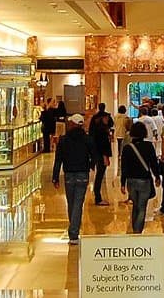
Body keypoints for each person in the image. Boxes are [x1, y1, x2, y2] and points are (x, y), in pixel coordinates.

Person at [52, 113, 95, 245]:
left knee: (72, 202)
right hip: (82, 174)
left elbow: (58, 159)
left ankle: (73, 232)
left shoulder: (64, 139)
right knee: (77, 203)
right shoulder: (87, 139)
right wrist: (90, 165)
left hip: (69, 174)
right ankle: (74, 228)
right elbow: (95, 155)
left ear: (74, 124)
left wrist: (55, 177)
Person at [119, 121, 160, 234]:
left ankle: (134, 229)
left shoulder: (127, 148)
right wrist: (157, 176)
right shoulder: (148, 146)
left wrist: (122, 183)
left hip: (131, 181)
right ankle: (138, 231)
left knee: (135, 206)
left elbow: (124, 167)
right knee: (142, 207)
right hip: (144, 180)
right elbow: (153, 164)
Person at [88, 103, 114, 206]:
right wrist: (105, 156)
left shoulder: (95, 119)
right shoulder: (102, 132)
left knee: (99, 174)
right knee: (100, 174)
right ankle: (98, 197)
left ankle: (97, 194)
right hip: (101, 154)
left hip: (95, 152)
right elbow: (103, 145)